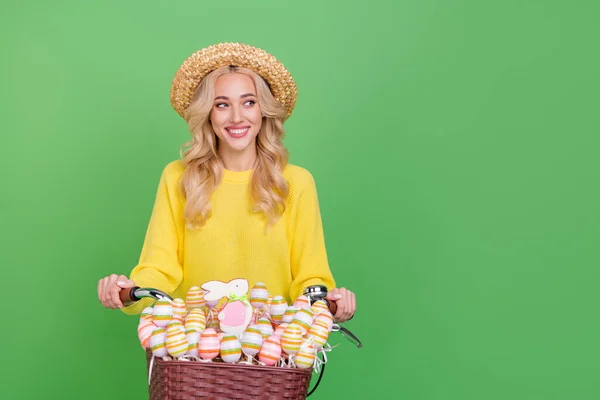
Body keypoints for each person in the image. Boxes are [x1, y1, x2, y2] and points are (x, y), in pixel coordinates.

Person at [97, 43, 356, 322]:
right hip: (193, 345)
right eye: (222, 104)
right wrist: (127, 291)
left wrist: (330, 303)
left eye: (249, 102)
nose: (236, 117)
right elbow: (159, 268)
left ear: (263, 111)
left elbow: (311, 277)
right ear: (207, 113)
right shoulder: (178, 178)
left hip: (273, 346)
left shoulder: (295, 182)